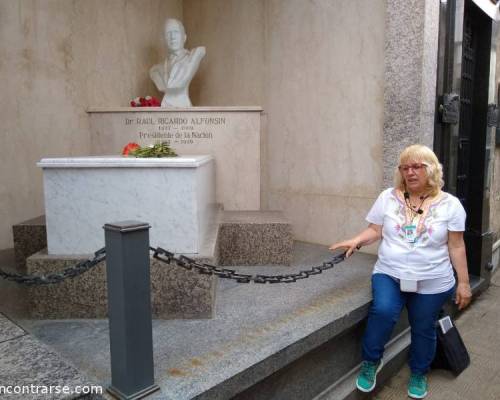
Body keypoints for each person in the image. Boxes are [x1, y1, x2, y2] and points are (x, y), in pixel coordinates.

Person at [329, 144, 472, 399]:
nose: (410, 172)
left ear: (432, 169)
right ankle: (371, 362)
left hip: (433, 280)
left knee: (423, 326)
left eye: (417, 166)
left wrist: (463, 283)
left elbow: (456, 245)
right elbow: (375, 229)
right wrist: (356, 240)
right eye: (405, 167)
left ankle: (419, 372)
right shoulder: (388, 197)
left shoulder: (450, 205)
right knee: (382, 312)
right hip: (390, 273)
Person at [150, 18, 206, 107]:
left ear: (184, 37)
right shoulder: (155, 70)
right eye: (168, 33)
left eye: (176, 32)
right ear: (163, 39)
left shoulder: (193, 57)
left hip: (183, 104)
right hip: (165, 106)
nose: (172, 37)